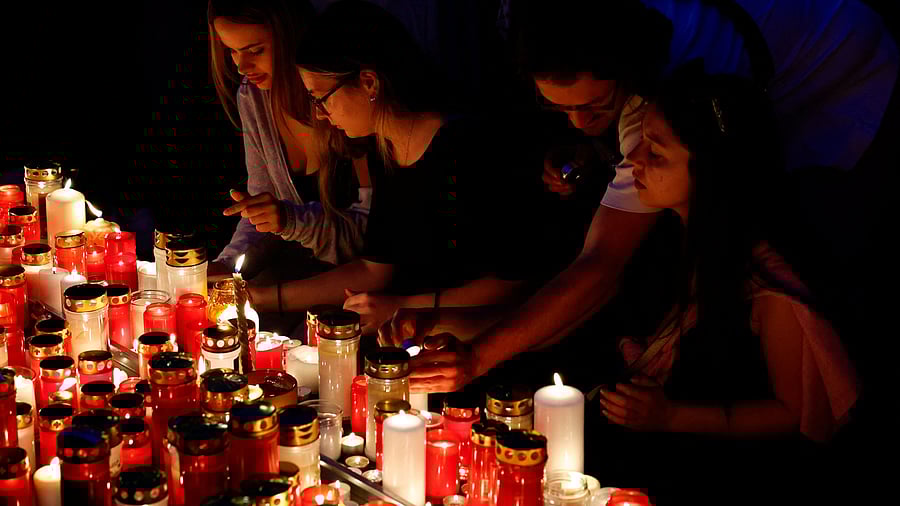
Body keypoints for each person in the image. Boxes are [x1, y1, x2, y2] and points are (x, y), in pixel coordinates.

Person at [399, 0, 894, 398]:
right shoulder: (643, 103)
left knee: (814, 268)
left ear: (628, 74)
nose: (575, 121)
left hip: (850, 74)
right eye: (557, 106)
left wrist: (478, 357)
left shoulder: (694, 88)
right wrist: (590, 149)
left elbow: (601, 264)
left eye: (593, 106)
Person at [247, 0, 537, 325]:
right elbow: (373, 269)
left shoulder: (467, 148)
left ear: (369, 82)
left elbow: (510, 283)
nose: (319, 114)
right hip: (420, 332)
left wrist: (401, 307)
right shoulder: (385, 148)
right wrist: (255, 298)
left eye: (320, 98)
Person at [207, 0, 369, 285]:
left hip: (358, 289)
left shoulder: (351, 104)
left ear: (291, 36)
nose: (242, 66)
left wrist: (290, 220)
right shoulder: (254, 98)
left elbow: (375, 238)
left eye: (255, 50)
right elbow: (262, 219)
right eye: (231, 51)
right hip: (295, 279)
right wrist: (225, 268)